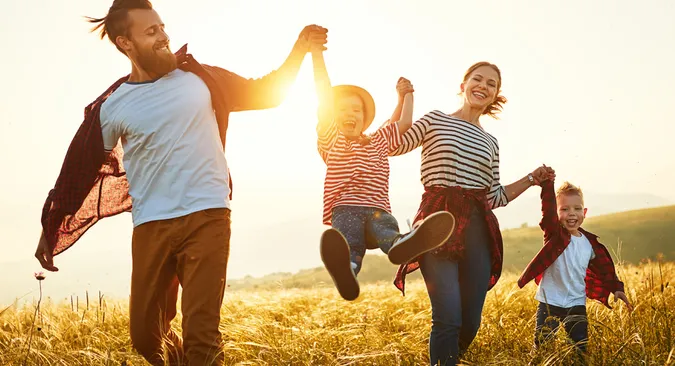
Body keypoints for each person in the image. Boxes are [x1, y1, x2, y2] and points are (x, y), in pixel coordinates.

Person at [33, 0, 327, 364]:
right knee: (146, 337)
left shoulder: (200, 78)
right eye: (151, 31)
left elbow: (266, 92)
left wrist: (299, 48)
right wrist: (51, 226)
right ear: (126, 43)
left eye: (162, 28)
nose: (163, 37)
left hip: (208, 216)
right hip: (150, 226)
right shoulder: (113, 106)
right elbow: (78, 170)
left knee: (202, 334)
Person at [390, 61, 551, 365]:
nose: (483, 86)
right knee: (447, 317)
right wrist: (405, 99)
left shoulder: (491, 142)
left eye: (491, 84)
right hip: (438, 223)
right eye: (477, 79)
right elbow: (397, 144)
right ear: (463, 85)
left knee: (469, 323)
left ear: (495, 96)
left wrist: (532, 178)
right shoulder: (435, 120)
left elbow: (494, 196)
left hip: (478, 227)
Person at [310, 47, 455, 301]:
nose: (349, 114)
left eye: (356, 111)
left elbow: (404, 123)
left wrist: (407, 95)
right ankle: (348, 272)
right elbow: (323, 93)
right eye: (342, 110)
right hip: (346, 209)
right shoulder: (332, 140)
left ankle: (402, 245)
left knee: (388, 233)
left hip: (379, 210)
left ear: (365, 119)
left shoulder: (378, 140)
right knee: (349, 246)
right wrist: (317, 56)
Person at [518, 172, 632, 361]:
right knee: (542, 347)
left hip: (576, 304)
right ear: (556, 213)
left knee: (579, 349)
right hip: (549, 302)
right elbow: (547, 209)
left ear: (584, 213)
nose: (571, 213)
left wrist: (616, 288)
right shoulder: (554, 235)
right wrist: (548, 184)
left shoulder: (589, 244)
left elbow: (605, 271)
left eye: (577, 208)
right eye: (564, 209)